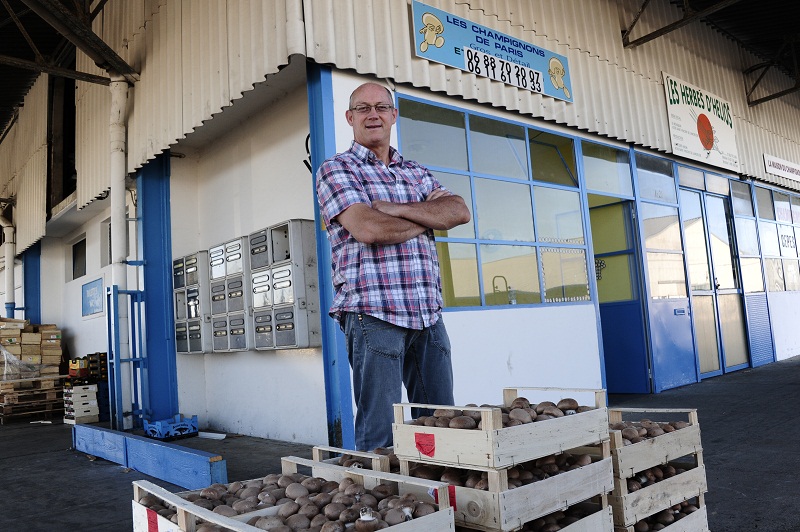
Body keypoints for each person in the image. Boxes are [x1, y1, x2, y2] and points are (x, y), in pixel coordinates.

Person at [315, 82, 471, 451]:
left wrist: (395, 208)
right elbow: (369, 228)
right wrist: (430, 217)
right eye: (364, 108)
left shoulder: (416, 172)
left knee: (440, 423)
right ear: (350, 118)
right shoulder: (337, 169)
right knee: (378, 430)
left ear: (393, 116)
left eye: (382, 107)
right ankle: (377, 504)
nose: (374, 114)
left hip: (428, 316)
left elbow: (459, 211)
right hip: (374, 313)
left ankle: (433, 500)